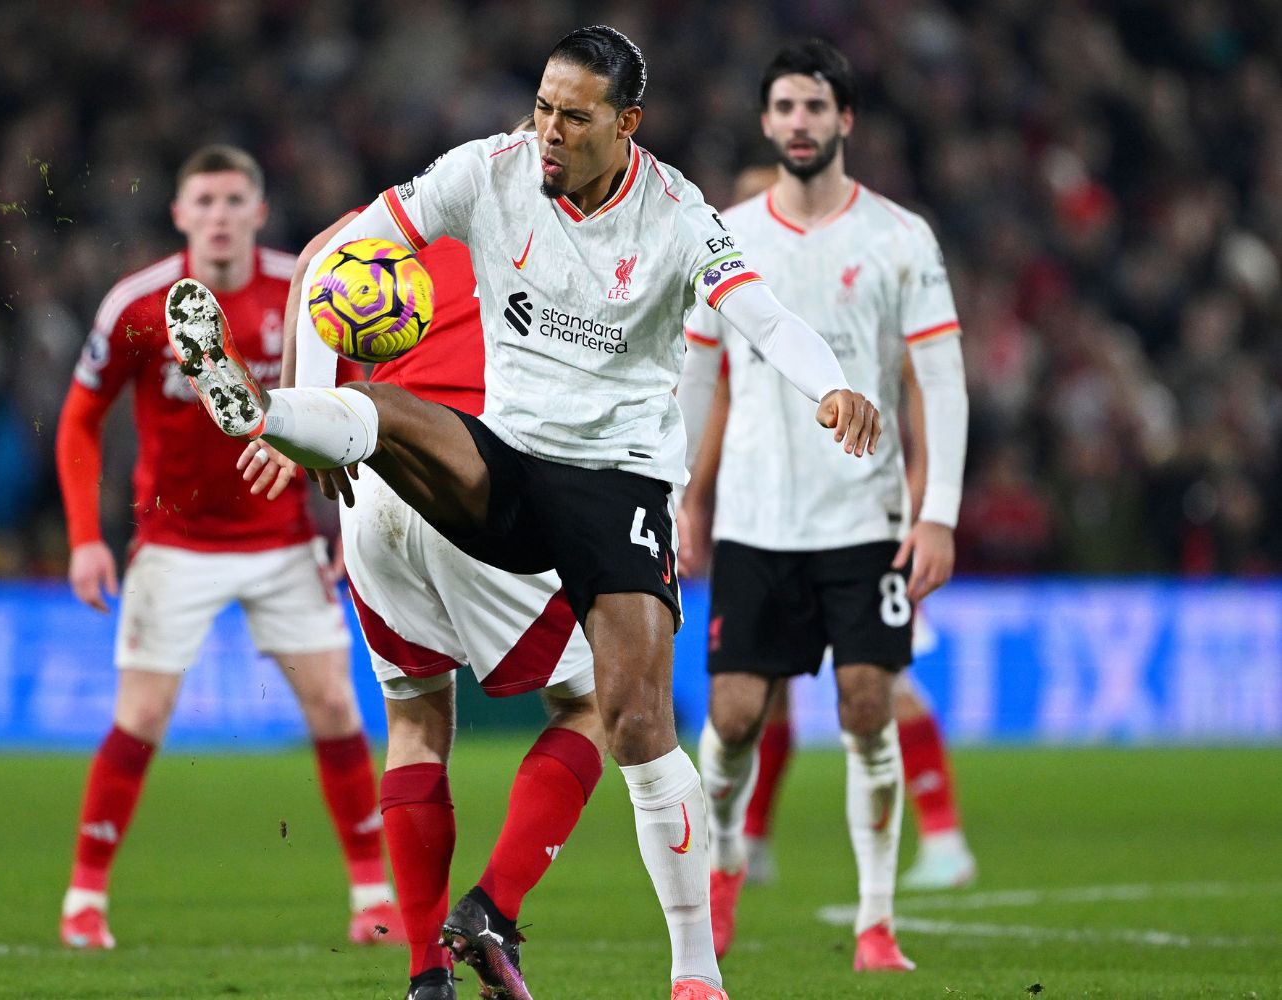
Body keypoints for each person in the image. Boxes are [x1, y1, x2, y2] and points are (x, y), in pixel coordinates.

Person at [167, 27, 882, 1000]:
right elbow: (341, 249)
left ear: (625, 124)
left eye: (573, 115)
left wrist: (830, 385)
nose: (547, 130)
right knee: (392, 415)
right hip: (504, 453)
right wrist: (312, 379)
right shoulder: (486, 172)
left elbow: (760, 312)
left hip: (615, 478)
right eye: (542, 106)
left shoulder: (676, 213)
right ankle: (266, 413)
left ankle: (693, 974)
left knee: (634, 719)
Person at [240, 201, 606, 1000]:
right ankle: (492, 908)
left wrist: (313, 407)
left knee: (413, 721)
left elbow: (313, 261)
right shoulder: (569, 230)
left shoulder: (396, 221)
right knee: (593, 707)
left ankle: (424, 979)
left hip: (371, 484)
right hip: (476, 470)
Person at [54, 144, 401, 950]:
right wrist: (83, 539)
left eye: (232, 200)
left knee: (335, 707)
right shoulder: (138, 304)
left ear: (258, 210)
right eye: (203, 201)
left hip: (282, 539)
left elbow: (358, 411)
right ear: (179, 215)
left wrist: (356, 524)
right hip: (173, 542)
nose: (218, 214)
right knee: (141, 714)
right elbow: (77, 417)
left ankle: (370, 896)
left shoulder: (309, 290)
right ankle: (85, 898)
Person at [675, 38, 969, 972]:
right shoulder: (728, 235)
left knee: (866, 705)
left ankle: (876, 924)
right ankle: (722, 864)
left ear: (846, 120)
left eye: (816, 107)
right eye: (785, 108)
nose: (800, 123)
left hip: (866, 521)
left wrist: (939, 512)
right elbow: (697, 374)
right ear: (767, 122)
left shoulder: (899, 237)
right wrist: (685, 496)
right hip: (756, 522)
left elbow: (942, 381)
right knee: (729, 721)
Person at [692, 360, 977, 893]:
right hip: (769, 523)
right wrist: (697, 496)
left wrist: (918, 482)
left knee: (882, 679)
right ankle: (752, 841)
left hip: (859, 518)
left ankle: (944, 837)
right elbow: (723, 398)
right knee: (767, 684)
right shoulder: (750, 302)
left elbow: (920, 376)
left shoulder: (865, 286)